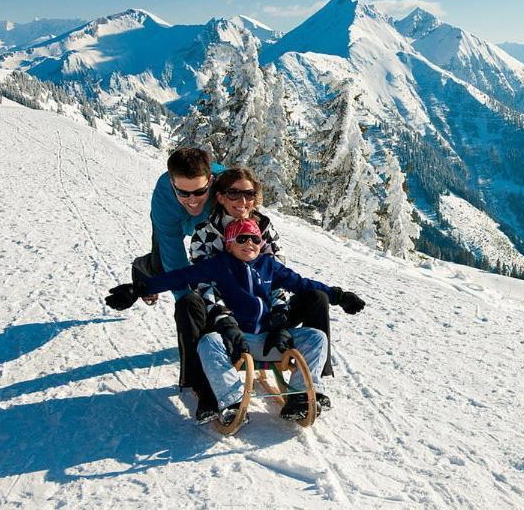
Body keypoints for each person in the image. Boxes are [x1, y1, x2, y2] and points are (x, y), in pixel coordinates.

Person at [106, 219, 366, 423]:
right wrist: (138, 289)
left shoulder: (270, 266)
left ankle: (300, 396)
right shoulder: (219, 265)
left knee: (316, 337)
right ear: (229, 244)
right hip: (235, 340)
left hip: (270, 338)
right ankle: (230, 400)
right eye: (241, 238)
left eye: (254, 239)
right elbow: (180, 277)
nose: (249, 243)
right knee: (208, 342)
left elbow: (303, 284)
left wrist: (339, 296)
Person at [189, 168, 338, 379]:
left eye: (249, 194)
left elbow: (278, 277)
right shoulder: (205, 233)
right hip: (226, 316)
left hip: (266, 315)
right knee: (188, 304)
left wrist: (279, 317)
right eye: (234, 193)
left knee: (317, 297)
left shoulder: (265, 228)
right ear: (220, 197)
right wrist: (225, 320)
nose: (242, 200)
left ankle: (311, 381)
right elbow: (203, 283)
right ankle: (200, 383)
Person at [133, 147, 224, 420]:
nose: (192, 199)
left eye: (199, 192)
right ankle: (141, 270)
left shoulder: (222, 187)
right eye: (183, 192)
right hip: (171, 221)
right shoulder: (163, 199)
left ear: (210, 181)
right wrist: (192, 309)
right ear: (172, 183)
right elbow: (175, 261)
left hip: (205, 225)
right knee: (162, 268)